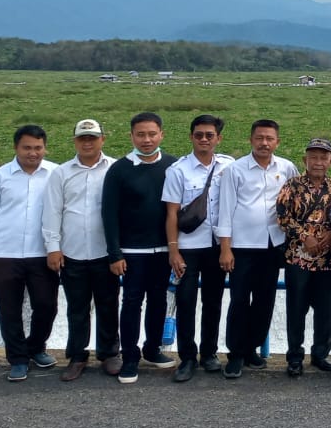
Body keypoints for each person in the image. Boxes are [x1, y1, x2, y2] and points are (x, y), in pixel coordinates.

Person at [215, 119, 298, 379]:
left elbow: (297, 199)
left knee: (264, 301)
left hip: (273, 245)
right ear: (251, 140)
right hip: (242, 246)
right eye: (260, 138)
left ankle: (252, 348)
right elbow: (225, 211)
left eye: (269, 139)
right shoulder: (235, 170)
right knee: (239, 300)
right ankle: (235, 354)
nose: (264, 143)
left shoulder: (286, 167)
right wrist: (225, 249)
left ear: (277, 142)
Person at [0, 125, 59, 382]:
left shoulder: (56, 174)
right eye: (27, 147)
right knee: (9, 310)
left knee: (46, 306)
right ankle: (18, 359)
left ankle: (36, 348)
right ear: (16, 148)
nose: (33, 153)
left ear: (45, 148)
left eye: (38, 148)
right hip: (4, 254)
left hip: (43, 253)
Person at [101, 112, 178, 384]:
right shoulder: (120, 169)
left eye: (152, 134)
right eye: (141, 134)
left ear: (161, 134)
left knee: (159, 300)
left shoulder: (173, 165)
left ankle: (152, 349)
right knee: (132, 303)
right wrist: (115, 253)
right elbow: (108, 215)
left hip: (163, 249)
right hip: (132, 251)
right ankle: (130, 357)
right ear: (132, 136)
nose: (147, 140)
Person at [43, 118, 118, 381]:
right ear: (75, 141)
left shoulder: (115, 169)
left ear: (102, 139)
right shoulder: (61, 173)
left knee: (108, 304)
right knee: (76, 307)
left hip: (105, 252)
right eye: (83, 139)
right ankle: (77, 356)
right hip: (72, 251)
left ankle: (109, 353)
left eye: (93, 138)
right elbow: (52, 211)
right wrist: (53, 248)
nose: (88, 143)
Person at [162, 113, 234, 382]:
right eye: (199, 135)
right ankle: (187, 357)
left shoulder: (229, 165)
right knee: (186, 301)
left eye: (210, 135)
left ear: (218, 138)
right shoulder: (178, 170)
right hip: (188, 247)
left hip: (217, 246)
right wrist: (174, 251)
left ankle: (210, 353)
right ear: (191, 137)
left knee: (213, 301)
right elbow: (171, 214)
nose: (204, 139)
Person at [275, 138, 331, 377]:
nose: (318, 162)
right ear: (305, 160)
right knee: (296, 308)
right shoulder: (292, 185)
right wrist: (305, 237)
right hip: (297, 258)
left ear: (330, 161)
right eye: (313, 157)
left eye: (323, 158)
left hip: (326, 259)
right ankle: (294, 356)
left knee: (324, 309)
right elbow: (282, 217)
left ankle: (321, 354)